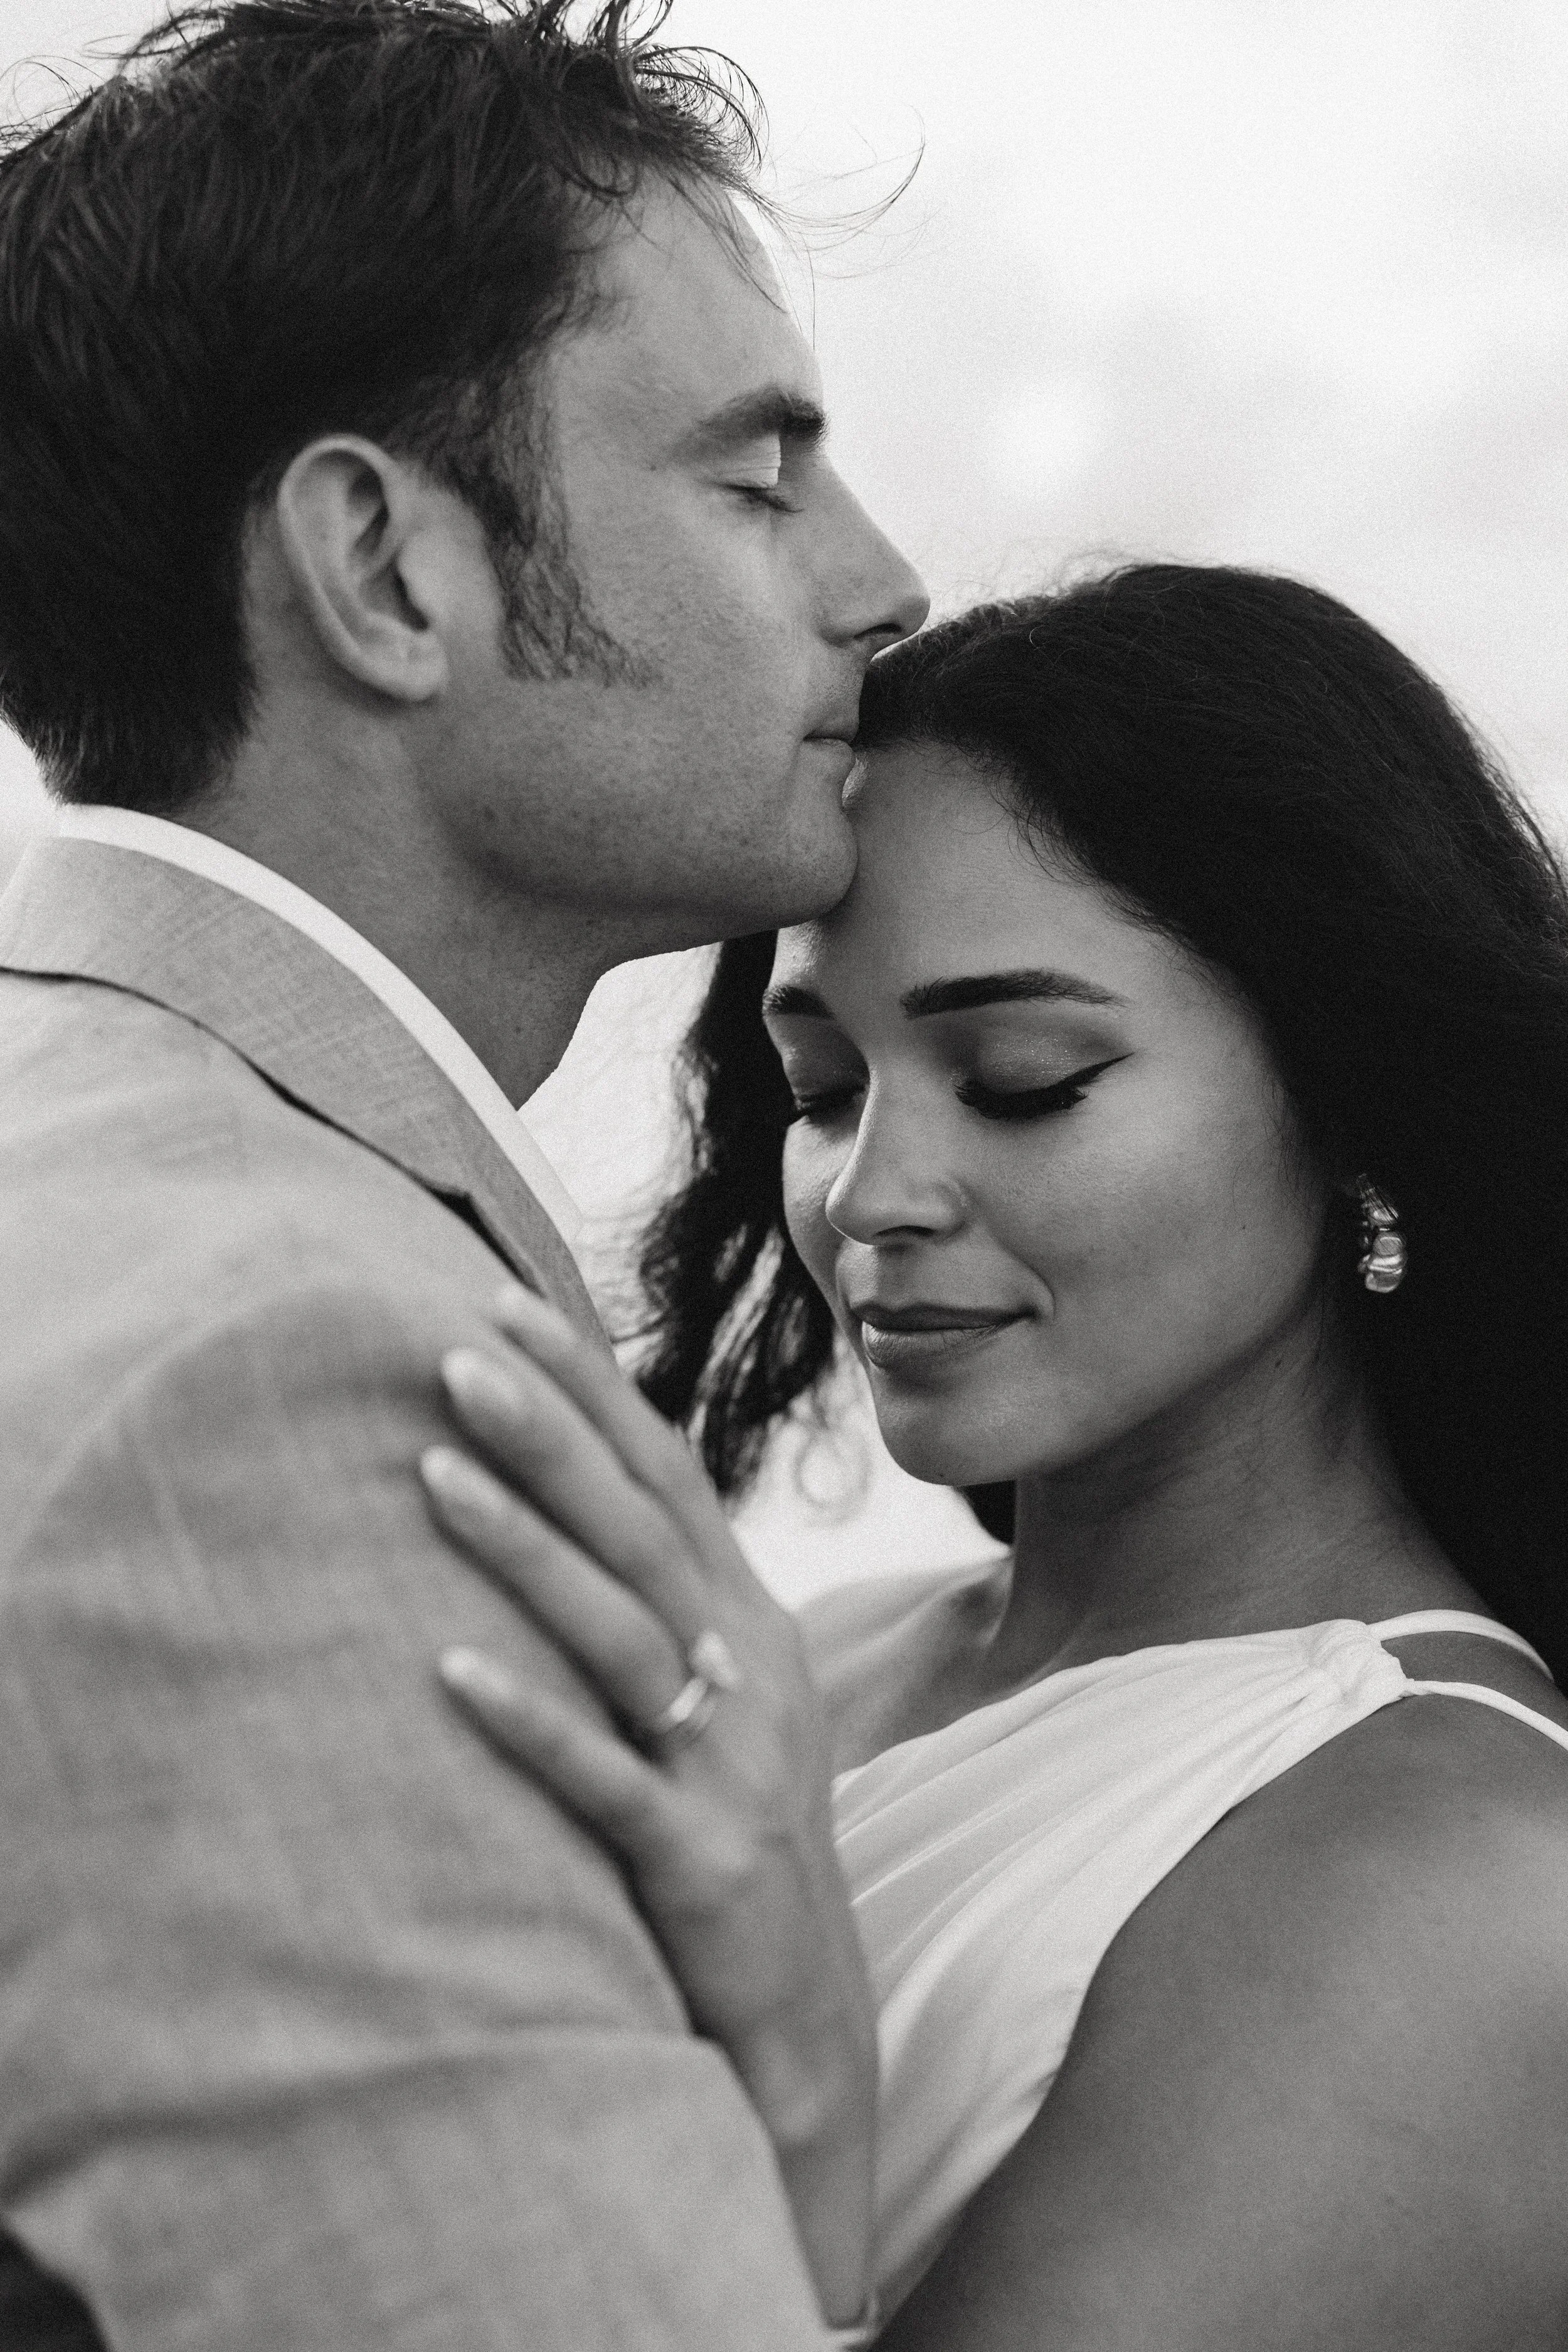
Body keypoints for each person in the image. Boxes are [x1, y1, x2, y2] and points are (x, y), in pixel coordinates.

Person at [0, 1, 926, 2344]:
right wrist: (807, 2085)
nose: (881, 581)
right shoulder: (277, 1373)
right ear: (384, 569)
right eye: (757, 478)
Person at [421, 565, 1568, 2349]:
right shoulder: (806, 1665)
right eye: (821, 1090)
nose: (870, 1195)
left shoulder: (1462, 1884)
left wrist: (802, 2052)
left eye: (1023, 1079)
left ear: (1353, 1099)